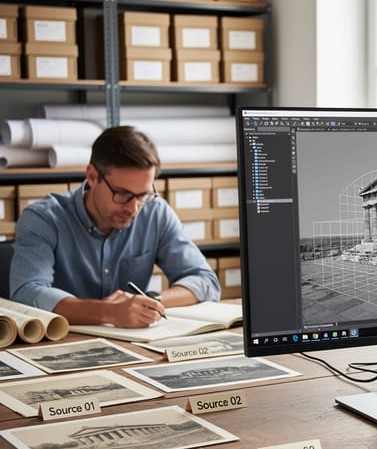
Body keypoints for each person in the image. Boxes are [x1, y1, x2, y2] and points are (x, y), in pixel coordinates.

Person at [10, 126, 221, 327]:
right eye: (122, 194)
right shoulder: (43, 219)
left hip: (135, 342)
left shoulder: (156, 212)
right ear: (92, 176)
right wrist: (109, 312)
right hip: (64, 340)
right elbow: (27, 292)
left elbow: (206, 281)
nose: (133, 208)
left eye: (143, 195)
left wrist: (149, 302)